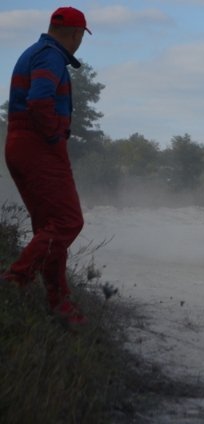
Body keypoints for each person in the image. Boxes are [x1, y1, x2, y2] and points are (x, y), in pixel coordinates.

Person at [1, 7, 92, 325]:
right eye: (82, 36)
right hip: (38, 146)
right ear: (77, 34)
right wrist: (54, 138)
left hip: (21, 144)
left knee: (50, 228)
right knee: (68, 221)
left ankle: (59, 302)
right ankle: (15, 278)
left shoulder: (36, 53)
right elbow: (39, 101)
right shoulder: (50, 56)